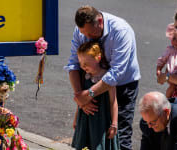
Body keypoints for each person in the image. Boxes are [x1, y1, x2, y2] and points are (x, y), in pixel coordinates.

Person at [64, 5, 141, 150]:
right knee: (93, 137)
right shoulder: (81, 31)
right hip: (91, 85)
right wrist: (80, 96)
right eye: (83, 33)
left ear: (99, 21)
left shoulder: (121, 31)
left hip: (122, 85)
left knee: (120, 136)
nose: (87, 38)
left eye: (91, 34)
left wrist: (89, 94)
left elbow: (116, 73)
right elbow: (74, 65)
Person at [72, 42, 120, 150]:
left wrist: (114, 124)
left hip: (101, 121)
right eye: (80, 63)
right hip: (85, 119)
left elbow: (113, 102)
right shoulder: (85, 76)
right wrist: (76, 118)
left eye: (86, 63)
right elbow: (81, 99)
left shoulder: (107, 79)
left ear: (98, 58)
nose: (82, 66)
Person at [156, 23, 177, 98]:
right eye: (174, 39)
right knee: (172, 86)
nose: (176, 42)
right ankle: (167, 99)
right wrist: (158, 69)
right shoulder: (170, 49)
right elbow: (162, 59)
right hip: (170, 74)